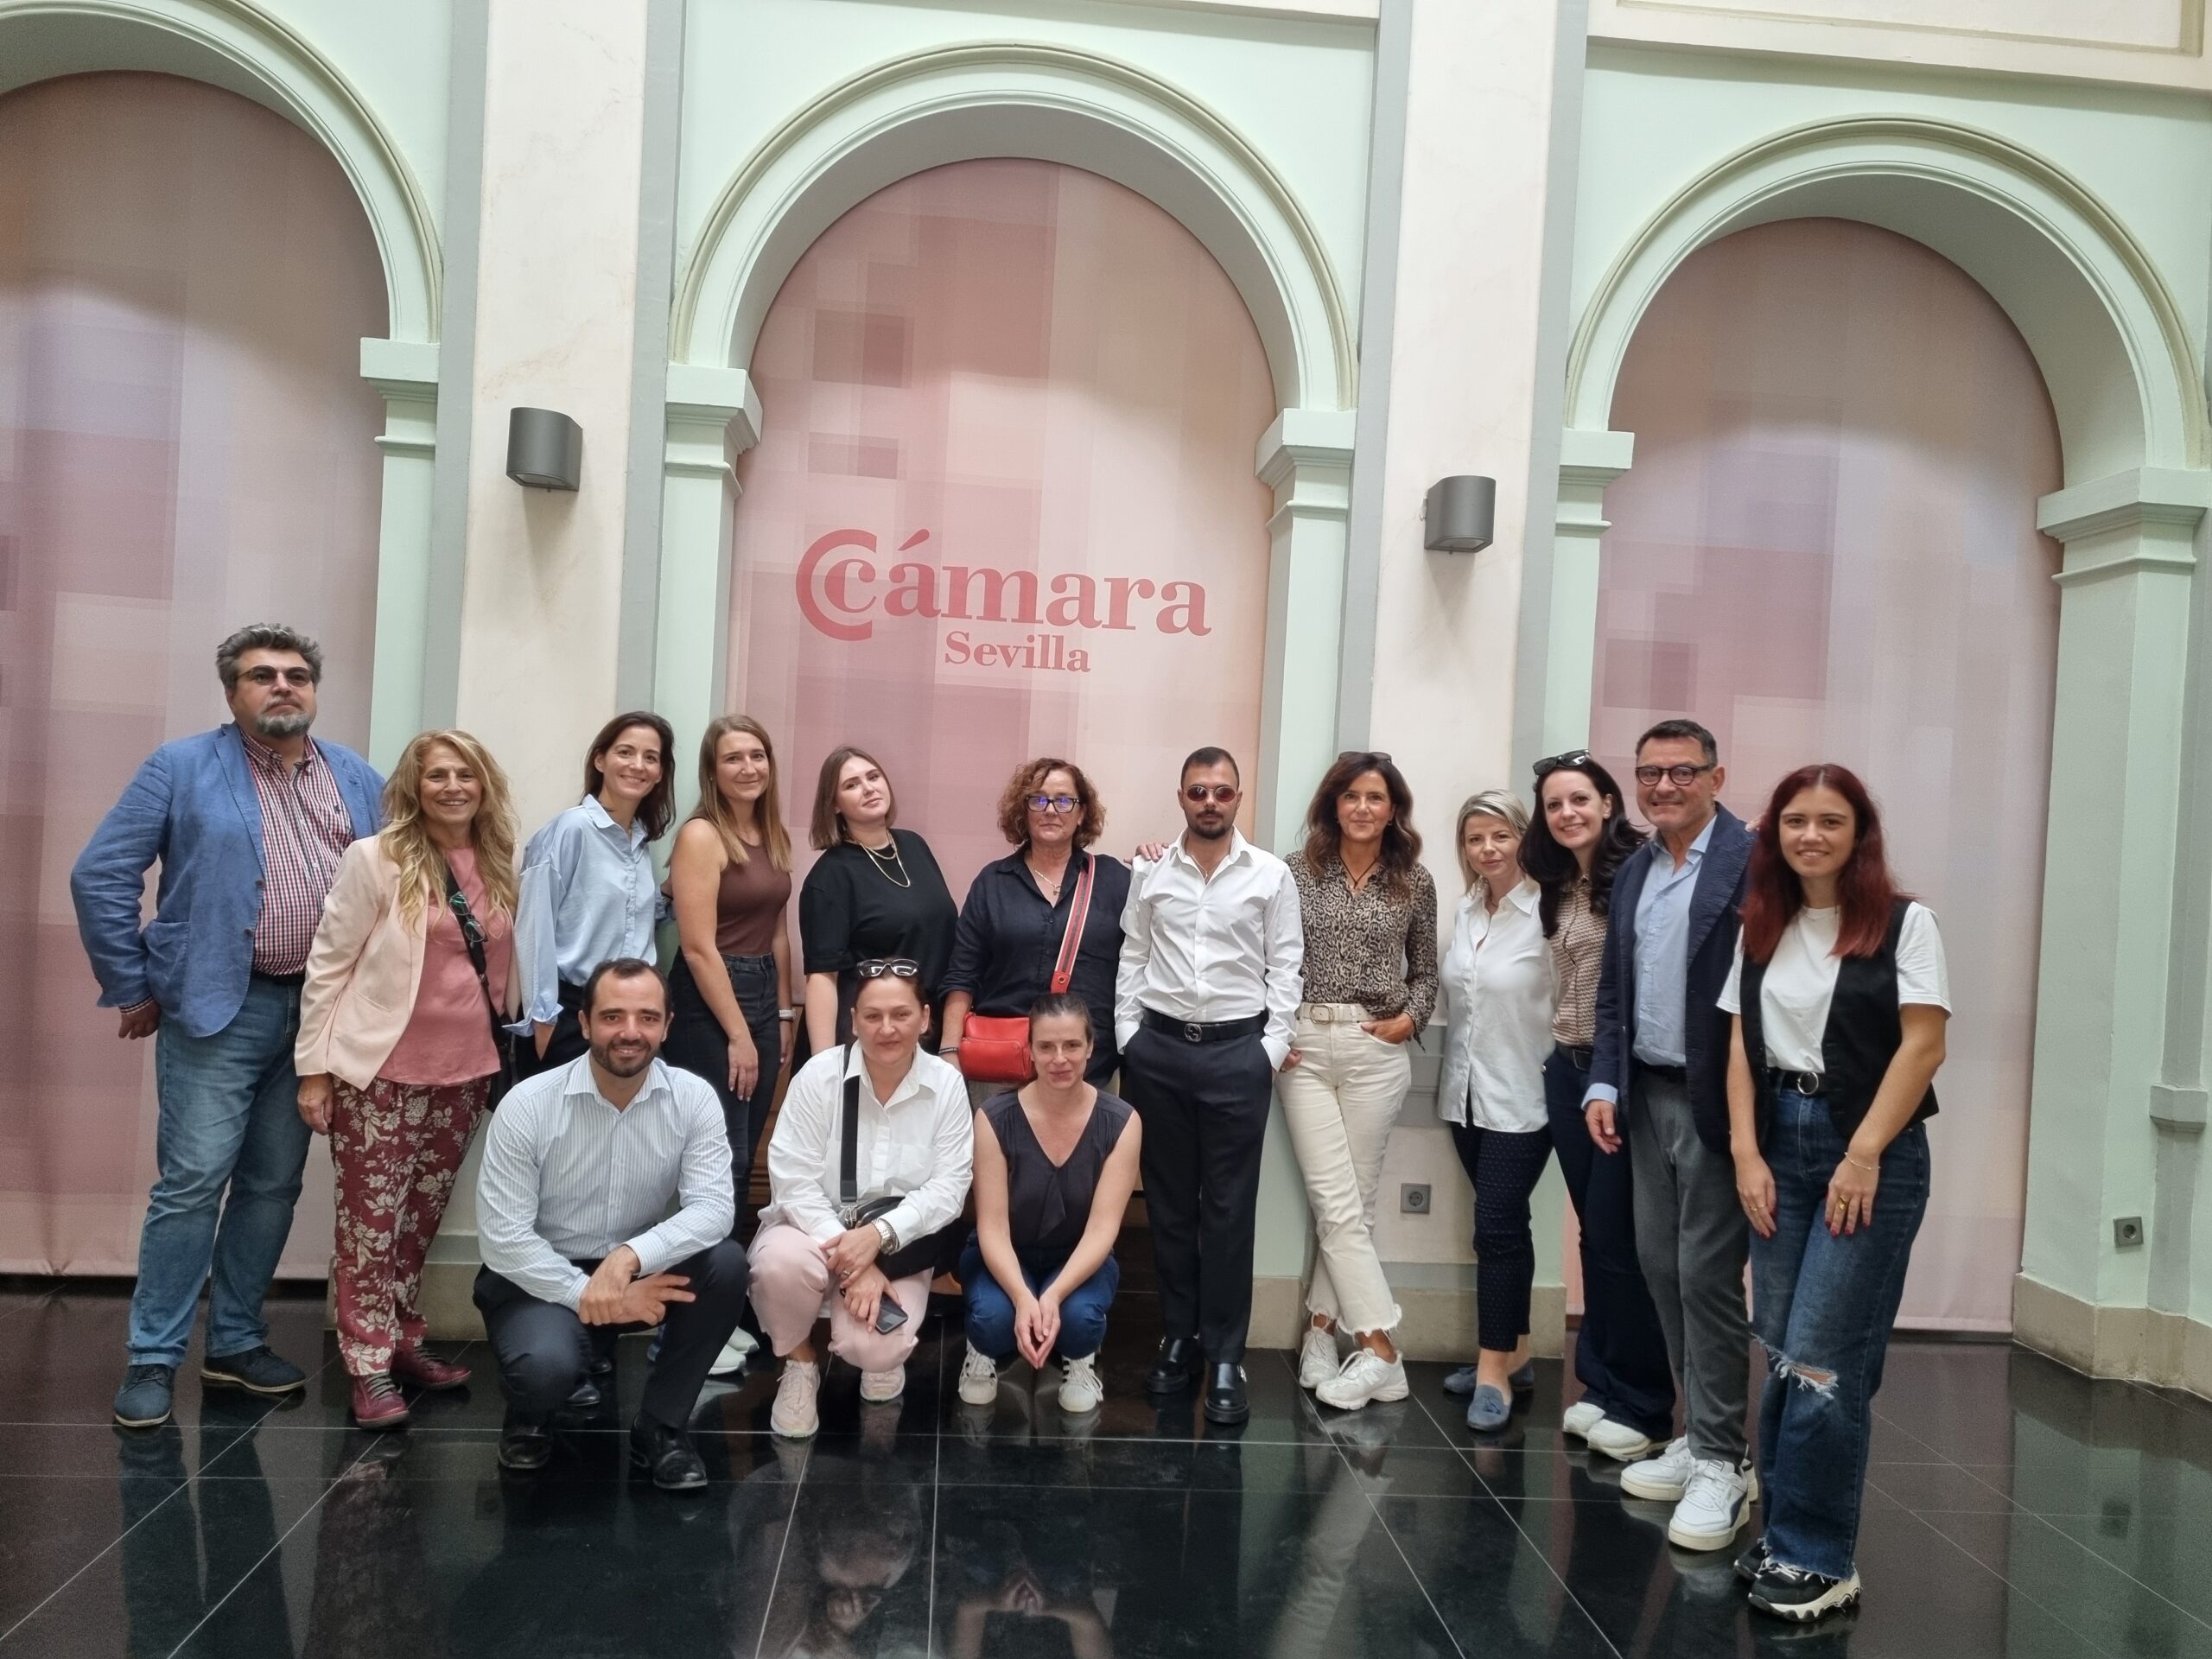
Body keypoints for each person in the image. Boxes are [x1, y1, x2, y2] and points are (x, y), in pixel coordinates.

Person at [73, 624, 385, 1431]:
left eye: (297, 675)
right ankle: (152, 1357)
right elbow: (101, 873)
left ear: (314, 690)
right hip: (219, 1008)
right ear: (231, 692)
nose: (282, 686)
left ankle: (237, 1343)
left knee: (274, 1183)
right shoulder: (180, 767)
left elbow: (395, 882)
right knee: (192, 1183)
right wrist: (132, 985)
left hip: (318, 1017)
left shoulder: (356, 777)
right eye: (261, 675)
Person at [1723, 765, 1948, 1622]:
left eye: (1829, 821)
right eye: (1795, 821)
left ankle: (1819, 1559)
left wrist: (1862, 1154)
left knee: (1823, 1356)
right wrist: (1746, 1153)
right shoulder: (1762, 924)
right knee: (1785, 1347)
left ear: (1859, 834)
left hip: (1869, 1151)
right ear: (1774, 832)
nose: (1810, 835)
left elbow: (1922, 1047)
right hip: (1778, 1143)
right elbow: (1739, 1045)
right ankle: (1784, 1533)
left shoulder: (1904, 923)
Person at [294, 729, 519, 1428]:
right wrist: (314, 1071)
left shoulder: (498, 859)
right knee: (370, 1225)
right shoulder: (376, 858)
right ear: (414, 788)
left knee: (419, 1220)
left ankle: (401, 1340)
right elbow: (328, 964)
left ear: (484, 785)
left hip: (465, 1074)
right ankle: (366, 1365)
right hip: (379, 1075)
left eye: (465, 774)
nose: (453, 787)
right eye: (438, 775)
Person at [472, 957, 748, 1491]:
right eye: (613, 1016)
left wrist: (629, 1259)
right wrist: (588, 1294)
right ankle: (531, 1412)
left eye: (647, 1018)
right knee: (543, 1368)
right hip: (539, 1276)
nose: (630, 1032)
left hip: (635, 1268)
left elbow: (714, 1209)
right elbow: (505, 1239)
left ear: (667, 1026)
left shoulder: (693, 1099)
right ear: (585, 1023)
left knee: (726, 1264)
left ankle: (661, 1428)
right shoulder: (528, 1105)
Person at [1583, 717, 1757, 1551]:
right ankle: (1698, 1434)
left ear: (1716, 779)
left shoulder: (1751, 863)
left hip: (1718, 1101)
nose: (1663, 787)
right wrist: (1604, 1079)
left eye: (1682, 772)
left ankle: (1725, 1459)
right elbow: (1614, 991)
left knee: (1706, 1276)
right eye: (1650, 773)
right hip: (1645, 1095)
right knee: (1660, 1265)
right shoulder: (1637, 871)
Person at [1116, 746, 1303, 1426]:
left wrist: (1268, 1051)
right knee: (1169, 1206)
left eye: (1222, 791)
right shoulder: (1150, 871)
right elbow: (1133, 954)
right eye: (1198, 791)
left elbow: (1287, 966)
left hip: (1236, 1056)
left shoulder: (1271, 875)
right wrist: (1130, 1036)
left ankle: (1225, 1355)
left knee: (1227, 1210)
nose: (1210, 802)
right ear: (1182, 797)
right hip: (1160, 1053)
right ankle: (1179, 1338)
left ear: (1238, 798)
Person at [1516, 750, 1677, 1461]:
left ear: (1609, 803)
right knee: (1593, 1235)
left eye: (1580, 799)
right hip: (1567, 1070)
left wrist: (1610, 1077)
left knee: (1621, 1242)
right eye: (1554, 804)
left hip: (1618, 1080)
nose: (1567, 813)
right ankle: (1602, 1384)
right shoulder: (1559, 885)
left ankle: (1644, 1403)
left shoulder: (1639, 876)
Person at [751, 959, 975, 1439]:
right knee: (777, 1268)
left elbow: (950, 1188)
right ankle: (799, 1362)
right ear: (853, 1021)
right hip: (810, 1231)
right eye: (872, 1016)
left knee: (877, 1350)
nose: (886, 1028)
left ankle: (876, 1354)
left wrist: (878, 1237)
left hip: (898, 1245)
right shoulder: (818, 1076)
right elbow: (792, 1179)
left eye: (901, 1014)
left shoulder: (946, 1084)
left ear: (925, 1018)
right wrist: (855, 1258)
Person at [1279, 751, 1438, 1413]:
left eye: (1376, 797)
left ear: (1393, 808)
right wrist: (1276, 1031)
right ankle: (1382, 1352)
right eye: (1351, 796)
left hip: (1376, 1049)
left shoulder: (1414, 880)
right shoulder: (1294, 873)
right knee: (1335, 1199)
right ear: (1333, 805)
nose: (1363, 808)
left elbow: (1426, 971)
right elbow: (1270, 960)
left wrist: (1410, 1020)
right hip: (1306, 1048)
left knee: (1353, 1203)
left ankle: (1321, 1332)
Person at [662, 714, 797, 1376]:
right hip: (708, 1003)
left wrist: (784, 1012)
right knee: (715, 1163)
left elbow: (776, 931)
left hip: (762, 993)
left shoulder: (770, 833)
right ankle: (686, 1329)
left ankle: (719, 1311)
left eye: (757, 755)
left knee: (744, 1163)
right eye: (733, 758)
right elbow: (696, 947)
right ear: (712, 771)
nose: (748, 767)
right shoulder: (700, 835)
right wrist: (740, 1034)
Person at [957, 994, 1142, 1415]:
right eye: (1046, 1046)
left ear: (1091, 1047)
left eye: (1072, 1045)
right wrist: (1024, 1298)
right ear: (1030, 1050)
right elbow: (992, 1228)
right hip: (1004, 1253)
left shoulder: (1122, 1121)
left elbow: (1103, 1229)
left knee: (1079, 1322)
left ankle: (1080, 1358)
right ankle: (981, 1348)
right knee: (992, 1322)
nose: (1060, 1058)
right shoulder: (993, 1117)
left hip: (1078, 1257)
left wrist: (1053, 1296)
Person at [1436, 789, 1555, 1431]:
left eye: (1500, 836)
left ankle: (1491, 1373)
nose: (1488, 849)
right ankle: (1520, 1353)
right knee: (1510, 1227)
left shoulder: (1549, 913)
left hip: (1523, 1099)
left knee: (1496, 1230)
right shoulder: (1467, 910)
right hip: (1463, 1097)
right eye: (1475, 838)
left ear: (1524, 838)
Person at [942, 757, 1132, 1102]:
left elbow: (1139, 965)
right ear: (1024, 810)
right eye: (1038, 800)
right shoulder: (993, 882)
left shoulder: (1115, 881)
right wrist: (949, 1051)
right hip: (1000, 1070)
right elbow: (962, 974)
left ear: (1081, 813)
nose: (1050, 810)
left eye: (1064, 801)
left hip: (1089, 1070)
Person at [512, 712, 674, 1073]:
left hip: (632, 1012)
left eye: (650, 757)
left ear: (660, 773)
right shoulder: (571, 829)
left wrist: (671, 896)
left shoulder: (640, 840)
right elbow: (533, 928)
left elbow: (621, 917)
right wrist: (543, 1019)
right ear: (600, 760)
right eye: (625, 752)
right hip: (570, 1012)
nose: (638, 765)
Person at [799, 747, 958, 1052]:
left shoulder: (914, 845)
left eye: (873, 777)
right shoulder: (830, 876)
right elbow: (822, 977)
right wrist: (825, 1065)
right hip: (869, 1036)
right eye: (852, 785)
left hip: (925, 1025)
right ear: (834, 804)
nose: (868, 788)